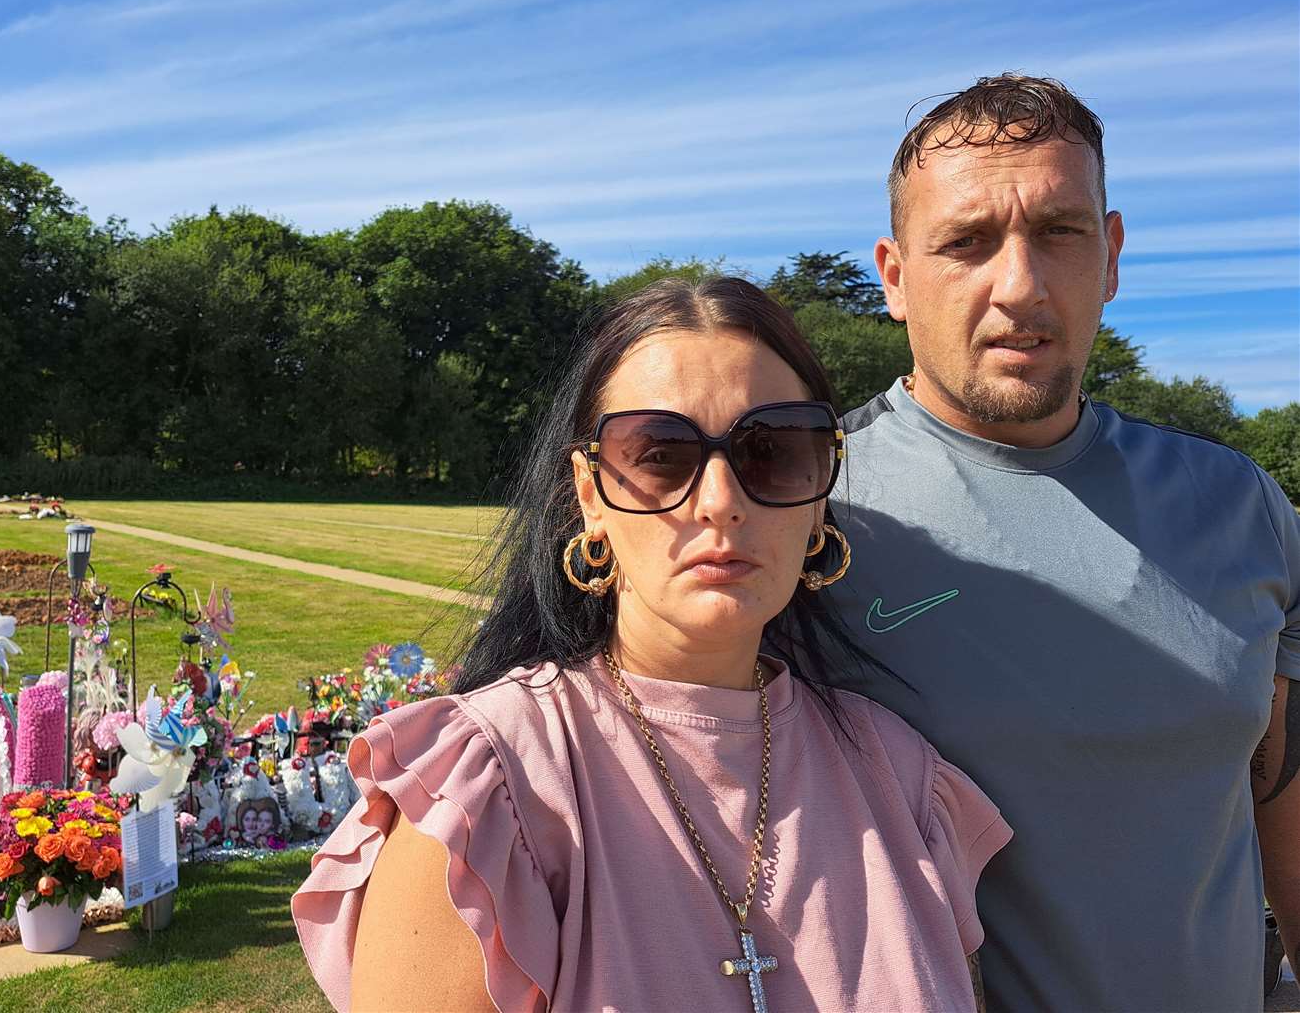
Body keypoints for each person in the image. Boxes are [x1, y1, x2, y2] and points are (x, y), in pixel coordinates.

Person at [293, 277, 1011, 1012]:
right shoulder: (490, 794)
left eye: (773, 451)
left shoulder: (902, 780)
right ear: (589, 494)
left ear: (820, 491)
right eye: (662, 454)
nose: (722, 500)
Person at [821, 73, 1300, 1011]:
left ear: (1112, 255)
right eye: (964, 243)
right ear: (894, 277)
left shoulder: (1238, 505)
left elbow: (1277, 792)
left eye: (1060, 233)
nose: (1021, 287)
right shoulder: (809, 511)